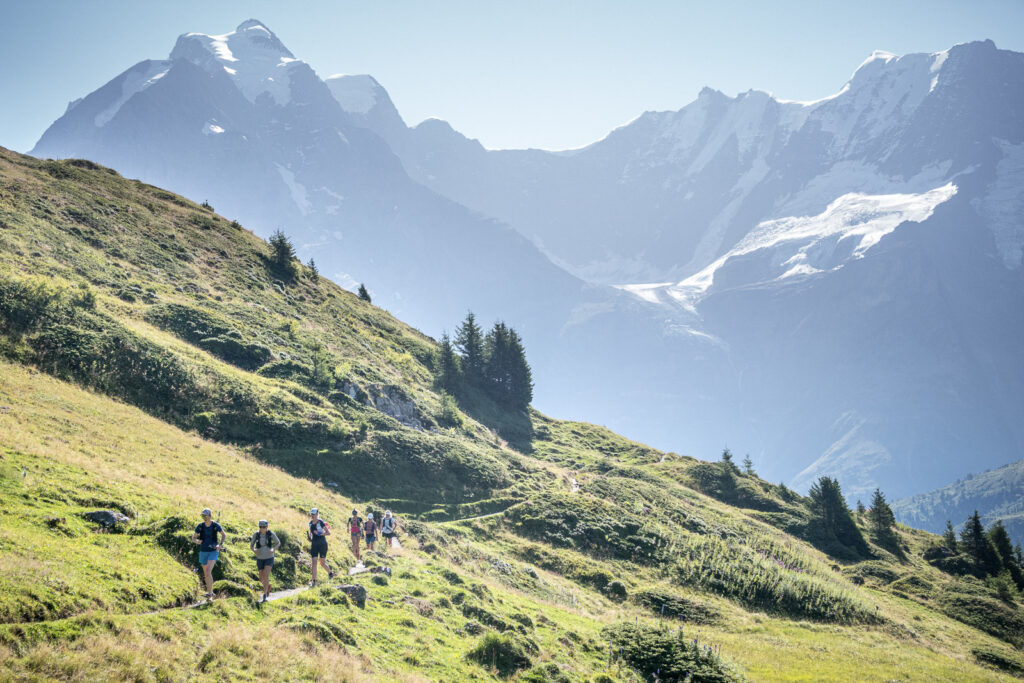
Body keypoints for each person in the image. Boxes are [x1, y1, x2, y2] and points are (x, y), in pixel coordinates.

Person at [192, 508, 225, 599]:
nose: (204, 518)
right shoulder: (200, 526)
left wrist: (220, 545)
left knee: (207, 571)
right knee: (206, 574)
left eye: (206, 516)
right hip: (203, 551)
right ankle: (210, 592)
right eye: (203, 516)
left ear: (210, 516)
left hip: (213, 551)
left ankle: (210, 593)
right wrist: (197, 541)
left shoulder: (215, 525)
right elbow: (193, 538)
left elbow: (224, 535)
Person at [250, 519, 281, 602]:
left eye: (264, 527)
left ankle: (264, 595)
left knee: (266, 575)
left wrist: (273, 549)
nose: (262, 529)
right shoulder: (256, 535)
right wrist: (254, 550)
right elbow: (251, 546)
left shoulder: (271, 534)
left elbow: (278, 543)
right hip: (260, 558)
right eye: (260, 527)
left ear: (267, 527)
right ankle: (268, 585)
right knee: (261, 578)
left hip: (269, 557)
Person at [307, 508, 334, 586]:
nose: (313, 515)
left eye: (314, 514)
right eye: (311, 514)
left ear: (317, 514)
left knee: (322, 563)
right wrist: (309, 539)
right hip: (314, 545)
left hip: (322, 544)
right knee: (314, 562)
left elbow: (328, 533)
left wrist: (320, 534)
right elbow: (311, 535)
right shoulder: (310, 524)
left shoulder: (321, 522)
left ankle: (330, 573)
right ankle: (314, 581)